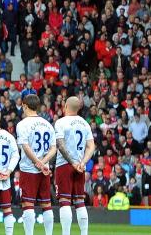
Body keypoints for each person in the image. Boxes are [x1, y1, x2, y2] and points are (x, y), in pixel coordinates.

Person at [16, 94, 57, 235]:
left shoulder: (22, 124)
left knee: (28, 204)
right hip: (44, 169)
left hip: (29, 169)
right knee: (46, 204)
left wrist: (37, 162)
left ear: (25, 106)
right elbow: (54, 148)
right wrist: (43, 163)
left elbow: (26, 147)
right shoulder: (47, 124)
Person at [54, 97, 95, 235]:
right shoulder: (85, 123)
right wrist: (82, 163)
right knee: (79, 201)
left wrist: (72, 162)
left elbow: (60, 144)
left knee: (65, 201)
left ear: (65, 106)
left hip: (65, 164)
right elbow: (91, 146)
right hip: (80, 165)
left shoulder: (61, 122)